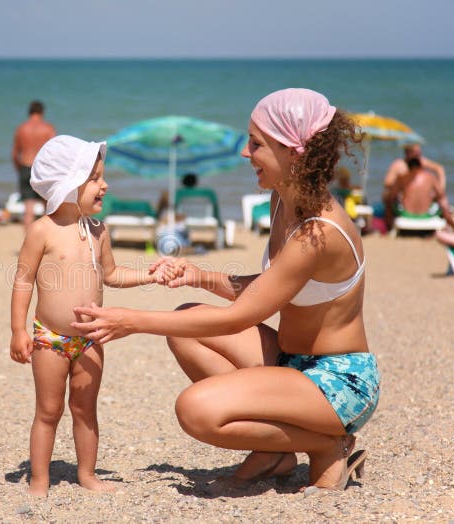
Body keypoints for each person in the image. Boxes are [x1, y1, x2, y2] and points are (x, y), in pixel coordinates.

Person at [71, 89, 381, 492]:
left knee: (196, 410)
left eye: (256, 143)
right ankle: (275, 452)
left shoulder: (318, 232)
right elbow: (270, 289)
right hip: (293, 362)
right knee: (186, 319)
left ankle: (328, 444)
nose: (245, 153)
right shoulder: (282, 201)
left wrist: (132, 321)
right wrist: (199, 276)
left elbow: (242, 316)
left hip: (338, 383)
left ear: (292, 151)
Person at [10, 135, 171, 497]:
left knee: (85, 409)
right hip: (50, 339)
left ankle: (86, 473)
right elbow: (23, 282)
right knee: (48, 411)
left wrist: (149, 274)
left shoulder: (98, 231)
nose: (105, 185)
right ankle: (39, 479)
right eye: (95, 178)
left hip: (92, 338)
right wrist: (17, 330)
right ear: (68, 184)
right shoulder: (42, 231)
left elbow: (112, 275)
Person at [12, 100, 56, 230]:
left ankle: (29, 245)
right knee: (47, 209)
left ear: (29, 112)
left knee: (28, 210)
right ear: (42, 112)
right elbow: (54, 153)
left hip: (25, 167)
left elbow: (15, 154)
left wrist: (19, 169)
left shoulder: (21, 129)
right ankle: (45, 243)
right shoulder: (48, 128)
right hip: (42, 169)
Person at [382, 144, 446, 229]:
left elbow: (439, 168)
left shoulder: (421, 161)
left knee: (441, 199)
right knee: (387, 196)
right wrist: (403, 185)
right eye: (417, 153)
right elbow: (387, 183)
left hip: (419, 199)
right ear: (407, 153)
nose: (419, 156)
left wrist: (440, 187)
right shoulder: (399, 165)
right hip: (402, 198)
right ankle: (389, 225)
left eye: (420, 153)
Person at [388, 157, 454, 232]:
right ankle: (453, 225)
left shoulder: (401, 178)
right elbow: (441, 195)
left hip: (406, 214)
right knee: (441, 204)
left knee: (391, 201)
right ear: (421, 166)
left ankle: (389, 227)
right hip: (426, 215)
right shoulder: (430, 177)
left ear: (408, 167)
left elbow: (391, 197)